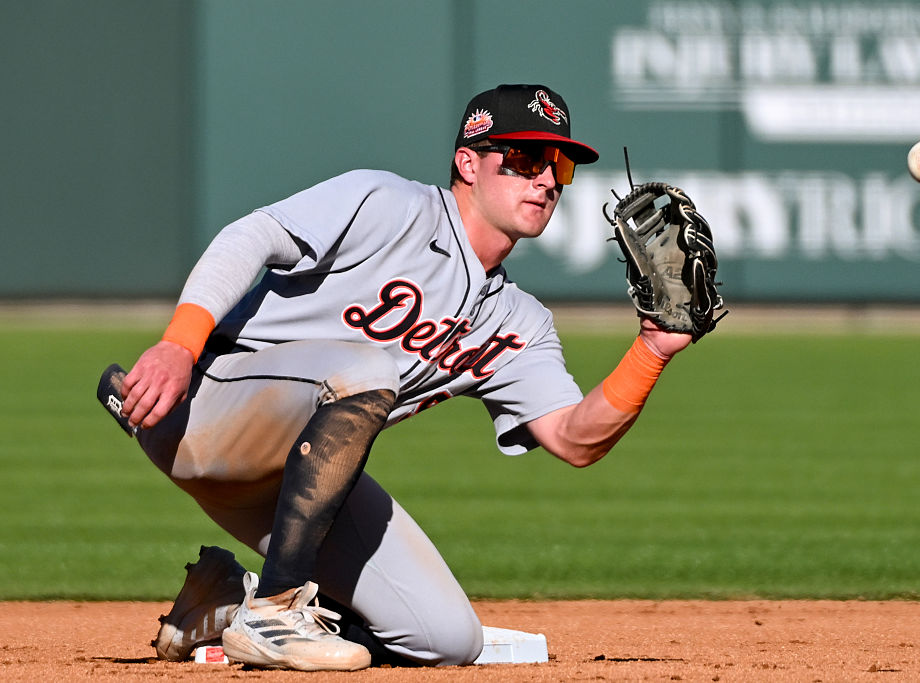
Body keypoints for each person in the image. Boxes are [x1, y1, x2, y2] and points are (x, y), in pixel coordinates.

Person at [116, 83, 693, 671]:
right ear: (468, 163)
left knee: (447, 640)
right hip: (200, 408)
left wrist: (652, 349)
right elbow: (253, 235)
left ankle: (227, 599)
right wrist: (178, 345)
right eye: (522, 159)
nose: (545, 179)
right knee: (366, 367)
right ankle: (274, 611)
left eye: (558, 165)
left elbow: (575, 438)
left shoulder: (520, 321)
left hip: (297, 482)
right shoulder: (389, 204)